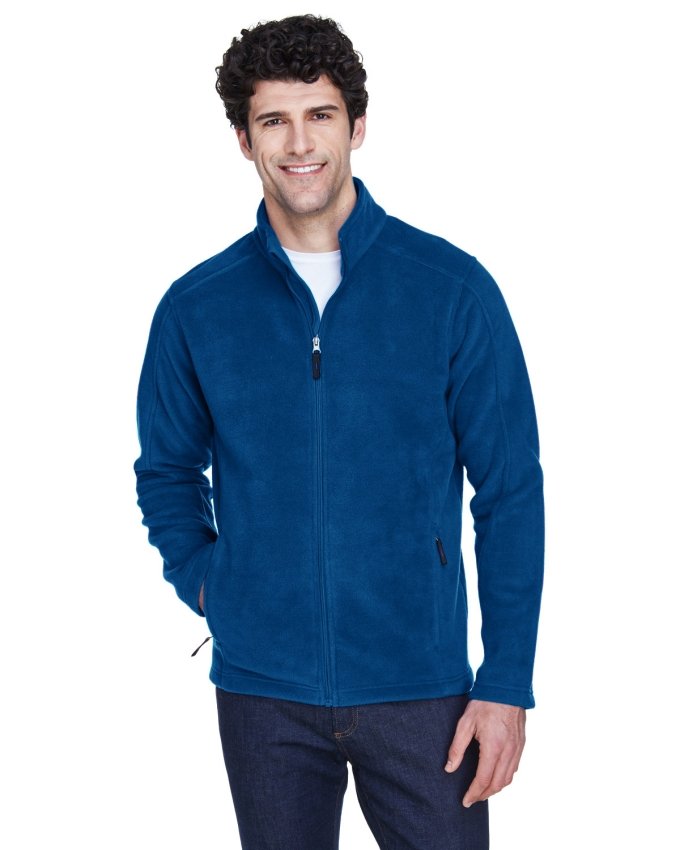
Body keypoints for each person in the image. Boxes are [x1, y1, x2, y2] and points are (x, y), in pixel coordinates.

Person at [134, 14, 544, 850]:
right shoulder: (197, 308)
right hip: (263, 695)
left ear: (356, 126)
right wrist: (216, 586)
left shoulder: (451, 290)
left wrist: (506, 681)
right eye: (273, 120)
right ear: (244, 140)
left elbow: (510, 492)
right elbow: (167, 474)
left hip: (421, 685)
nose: (299, 143)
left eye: (319, 114)